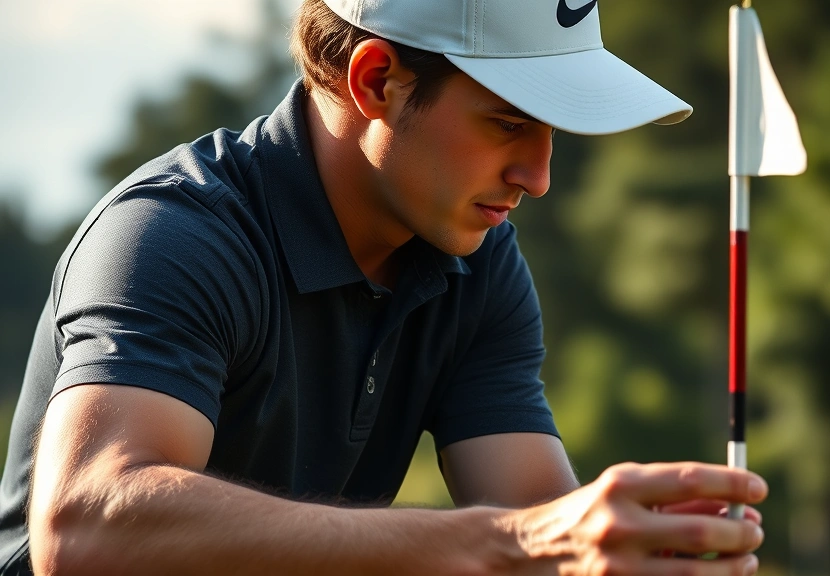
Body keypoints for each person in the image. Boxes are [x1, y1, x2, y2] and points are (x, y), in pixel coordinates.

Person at [0, 0, 768, 574]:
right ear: (376, 80)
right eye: (508, 123)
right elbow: (87, 530)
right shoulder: (174, 235)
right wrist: (528, 542)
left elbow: (538, 529)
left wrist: (635, 553)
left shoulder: (480, 258)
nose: (538, 176)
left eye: (553, 131)